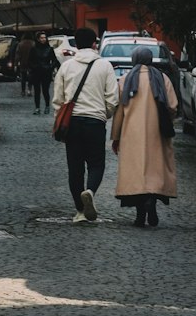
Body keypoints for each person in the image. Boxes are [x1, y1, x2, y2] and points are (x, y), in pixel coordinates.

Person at [52, 26, 118, 223]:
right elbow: (112, 99)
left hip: (72, 122)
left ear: (77, 44)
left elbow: (58, 99)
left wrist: (59, 119)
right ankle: (90, 191)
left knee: (75, 167)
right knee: (96, 163)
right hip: (95, 121)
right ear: (94, 44)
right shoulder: (105, 66)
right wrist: (103, 114)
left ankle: (80, 211)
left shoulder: (66, 66)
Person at [111, 44, 178, 227]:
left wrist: (116, 136)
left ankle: (140, 214)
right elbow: (172, 105)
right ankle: (152, 203)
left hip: (131, 134)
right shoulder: (162, 79)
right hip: (157, 133)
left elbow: (119, 111)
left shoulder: (125, 80)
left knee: (137, 173)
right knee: (153, 173)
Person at [28, 30, 56, 115]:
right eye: (41, 38)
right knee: (37, 91)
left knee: (45, 90)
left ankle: (47, 106)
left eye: (44, 37)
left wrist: (50, 68)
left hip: (46, 72)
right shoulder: (33, 49)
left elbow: (55, 61)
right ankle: (37, 108)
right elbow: (29, 60)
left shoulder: (50, 49)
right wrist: (34, 67)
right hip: (36, 72)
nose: (43, 39)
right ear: (38, 39)